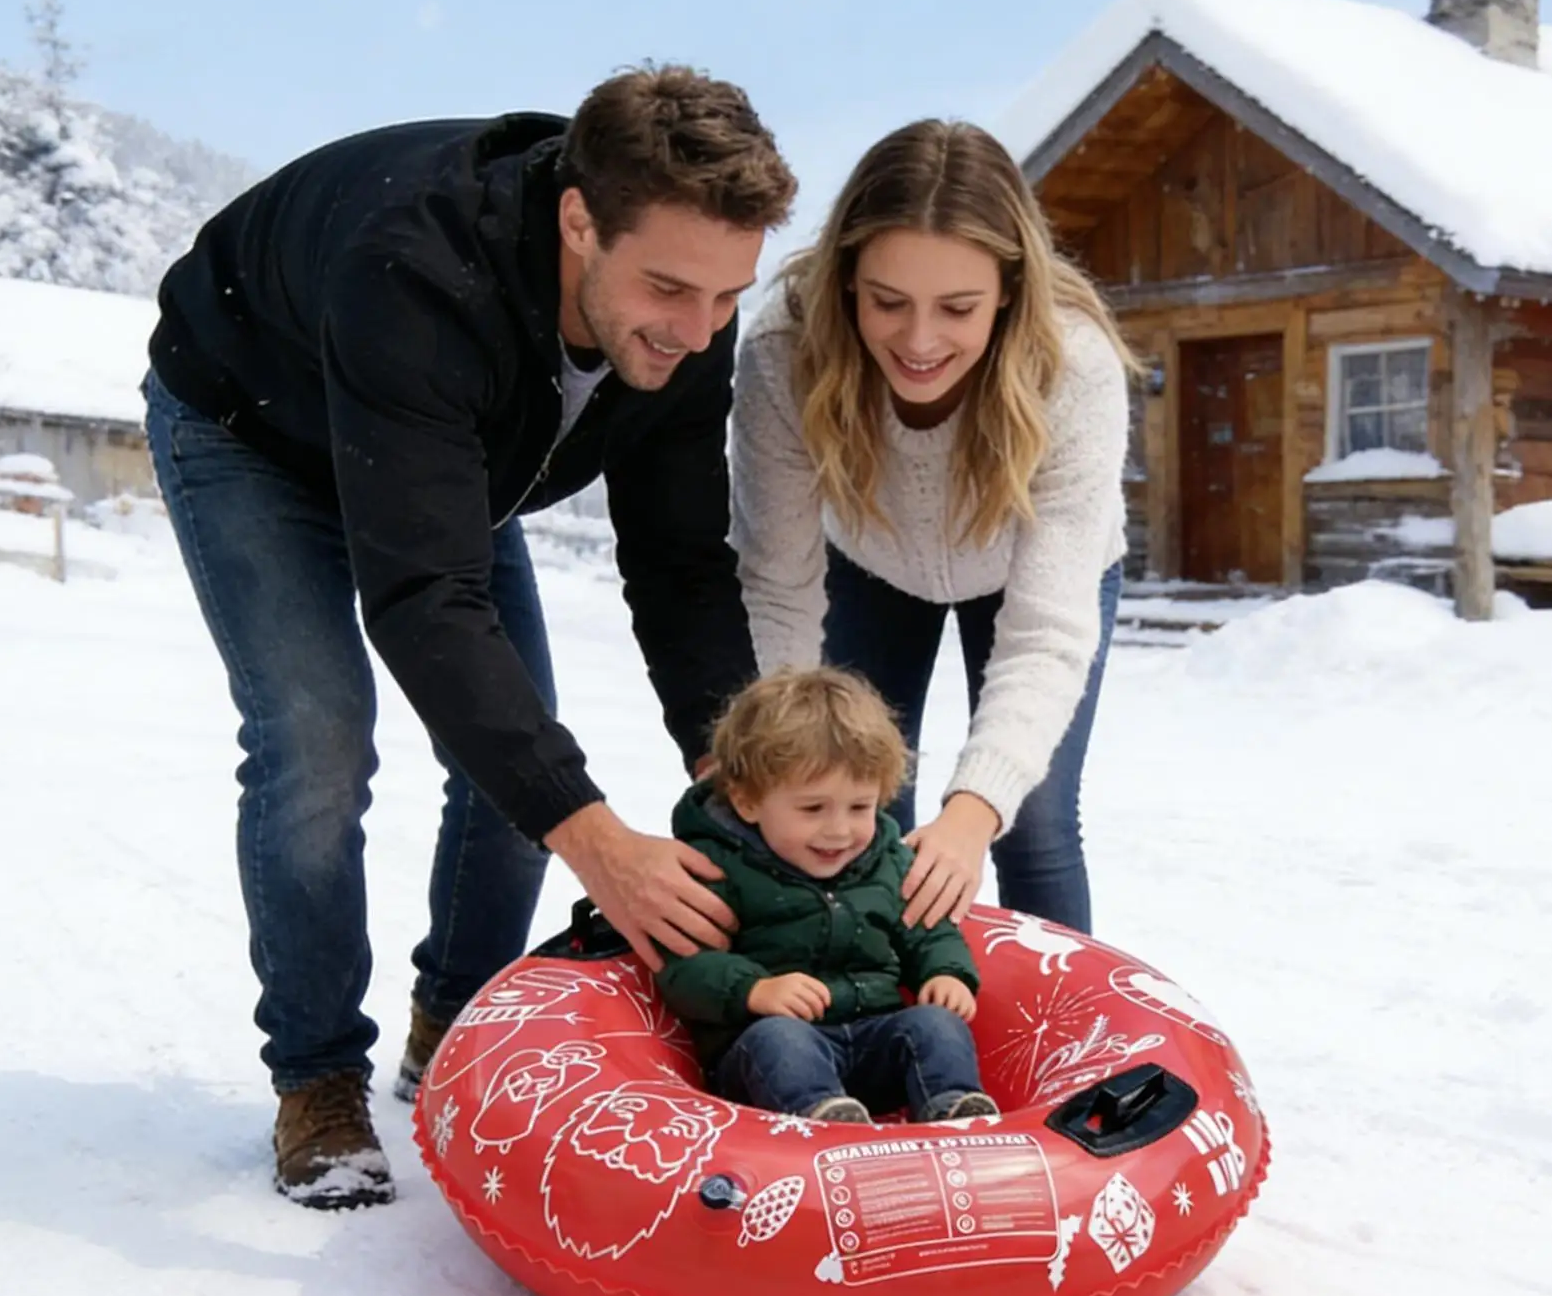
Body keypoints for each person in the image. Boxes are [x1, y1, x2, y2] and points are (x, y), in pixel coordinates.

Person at [143, 66, 797, 1209]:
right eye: (667, 288)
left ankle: (450, 1029)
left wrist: (736, 772)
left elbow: (680, 563)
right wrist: (596, 841)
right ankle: (317, 1081)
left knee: (514, 761)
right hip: (253, 430)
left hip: (449, 460)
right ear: (578, 220)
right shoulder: (413, 268)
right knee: (318, 738)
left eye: (726, 296)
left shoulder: (688, 323)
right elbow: (424, 599)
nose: (697, 332)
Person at [729, 120, 1133, 942]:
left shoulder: (1074, 366)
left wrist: (973, 810)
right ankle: (879, 1027)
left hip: (1033, 572)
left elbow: (1046, 633)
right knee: (855, 808)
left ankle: (1059, 1044)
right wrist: (783, 751)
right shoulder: (783, 347)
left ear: (1011, 289)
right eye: (886, 302)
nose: (917, 341)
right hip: (868, 562)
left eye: (957, 308)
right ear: (846, 282)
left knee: (1032, 820)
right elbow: (777, 584)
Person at [656, 668, 998, 1124]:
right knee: (780, 1040)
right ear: (748, 802)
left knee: (934, 1025)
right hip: (771, 1049)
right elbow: (685, 962)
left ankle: (954, 1108)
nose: (839, 830)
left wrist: (947, 973)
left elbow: (926, 929)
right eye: (813, 808)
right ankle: (819, 1115)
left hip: (873, 1033)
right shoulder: (715, 867)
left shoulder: (887, 863)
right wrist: (754, 989)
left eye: (860, 807)